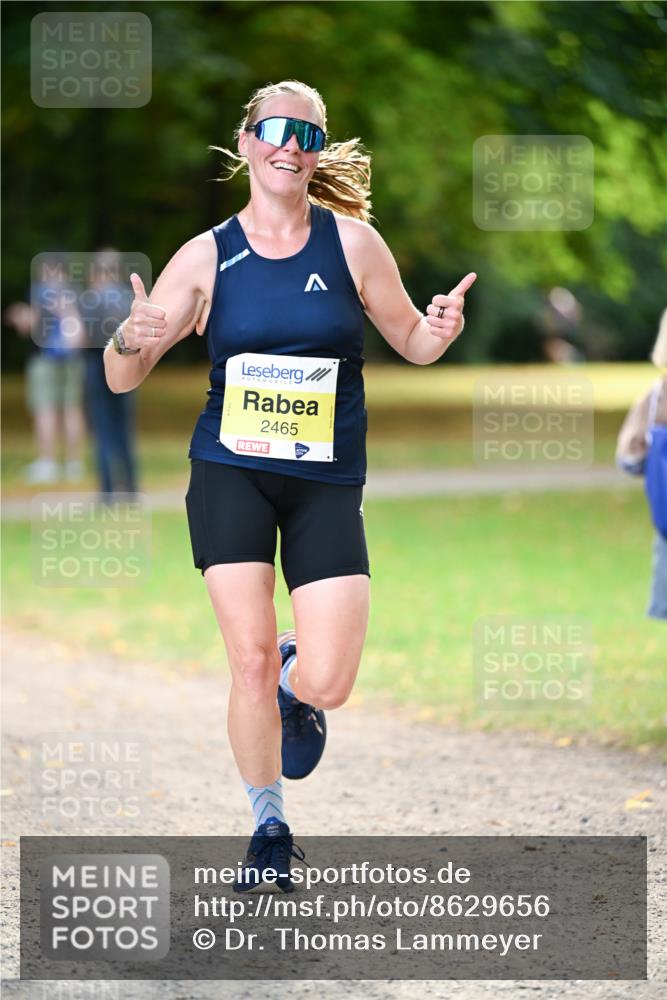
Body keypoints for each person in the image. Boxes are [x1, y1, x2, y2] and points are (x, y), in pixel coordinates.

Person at [104, 79, 476, 891]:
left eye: (306, 134)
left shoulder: (353, 245)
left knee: (330, 682)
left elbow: (409, 340)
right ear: (245, 143)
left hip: (325, 483)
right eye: (273, 129)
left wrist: (437, 330)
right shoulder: (206, 254)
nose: (289, 145)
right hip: (231, 470)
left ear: (317, 152)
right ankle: (267, 824)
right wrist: (129, 339)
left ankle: (292, 680)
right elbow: (125, 376)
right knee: (242, 658)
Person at [6, 255, 86, 484]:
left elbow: (28, 326)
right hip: (73, 360)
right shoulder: (77, 293)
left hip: (44, 360)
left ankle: (48, 463)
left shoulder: (41, 292)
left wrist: (19, 315)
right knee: (72, 409)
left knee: (45, 409)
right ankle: (73, 464)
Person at [616, 308, 667, 620]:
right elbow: (629, 461)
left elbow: (630, 462)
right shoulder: (654, 399)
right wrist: (636, 450)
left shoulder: (655, 398)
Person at [80, 250, 138, 501]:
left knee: (102, 430)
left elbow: (81, 337)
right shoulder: (128, 298)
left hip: (96, 367)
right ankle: (132, 487)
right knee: (124, 429)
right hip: (126, 368)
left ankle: (107, 491)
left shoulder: (90, 299)